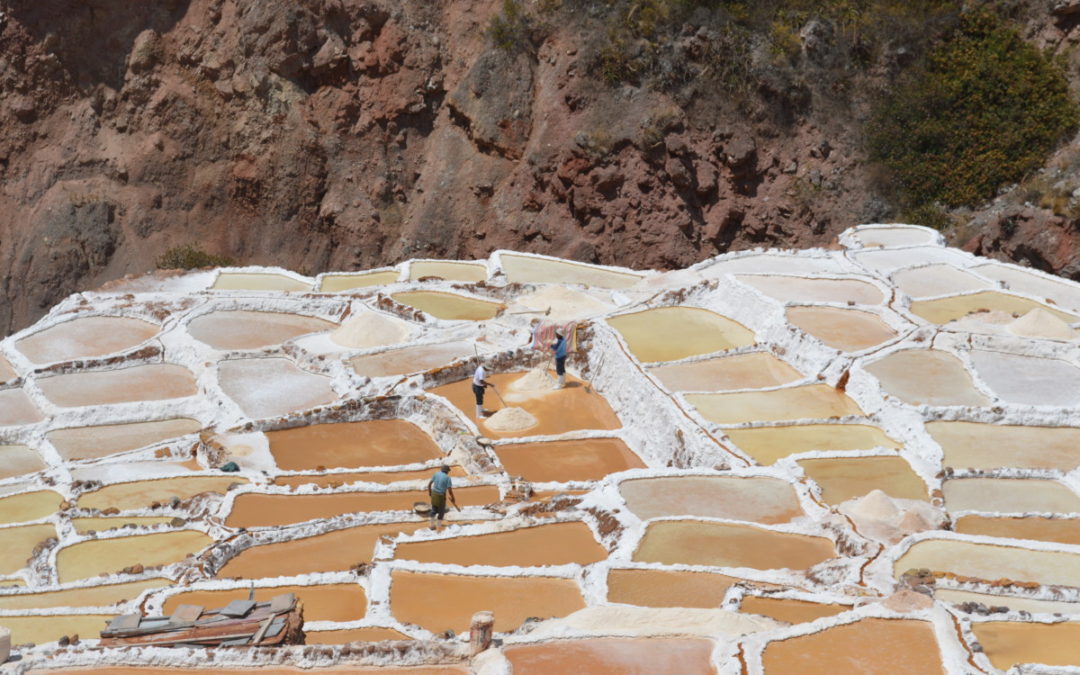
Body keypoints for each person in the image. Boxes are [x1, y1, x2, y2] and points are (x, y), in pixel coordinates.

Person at [426, 464, 458, 529]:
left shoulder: (436, 474)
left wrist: (430, 492)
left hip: (434, 494)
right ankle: (438, 525)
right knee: (441, 512)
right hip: (440, 496)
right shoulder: (447, 478)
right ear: (447, 471)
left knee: (434, 510)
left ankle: (431, 525)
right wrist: (453, 498)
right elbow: (450, 490)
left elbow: (429, 484)